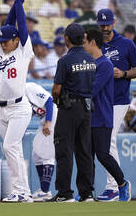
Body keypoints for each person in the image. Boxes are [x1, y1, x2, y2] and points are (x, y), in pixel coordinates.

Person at [0, 0, 34, 203]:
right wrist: (15, 3)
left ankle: (20, 191)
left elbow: (21, 25)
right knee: (13, 150)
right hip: (2, 109)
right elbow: (7, 26)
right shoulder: (3, 50)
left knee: (10, 147)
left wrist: (19, 2)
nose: (2, 44)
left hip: (19, 108)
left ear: (16, 40)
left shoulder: (23, 49)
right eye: (1, 42)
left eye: (6, 41)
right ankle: (23, 192)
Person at [48, 23, 96, 202]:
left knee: (64, 149)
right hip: (87, 108)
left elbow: (56, 89)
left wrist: (56, 100)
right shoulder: (91, 60)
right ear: (83, 38)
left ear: (66, 38)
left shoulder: (65, 60)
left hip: (69, 108)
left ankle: (64, 193)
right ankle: (87, 193)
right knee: (84, 151)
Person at [83, 28, 132, 202]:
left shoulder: (105, 64)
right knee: (87, 156)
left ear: (93, 43)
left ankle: (122, 184)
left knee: (102, 155)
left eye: (84, 41)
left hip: (102, 116)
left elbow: (92, 89)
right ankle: (87, 192)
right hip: (89, 116)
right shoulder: (88, 62)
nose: (82, 44)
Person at [96, 9, 136, 201]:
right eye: (101, 24)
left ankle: (115, 186)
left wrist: (124, 74)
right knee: (102, 142)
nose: (105, 28)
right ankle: (115, 185)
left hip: (119, 99)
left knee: (109, 139)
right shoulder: (95, 44)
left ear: (114, 22)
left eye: (107, 24)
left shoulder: (126, 44)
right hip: (100, 100)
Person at [25, 82, 57, 202]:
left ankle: (44, 191)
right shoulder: (17, 97)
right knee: (36, 155)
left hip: (53, 115)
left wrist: (48, 122)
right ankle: (44, 190)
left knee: (46, 153)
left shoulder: (28, 88)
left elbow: (49, 101)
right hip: (44, 119)